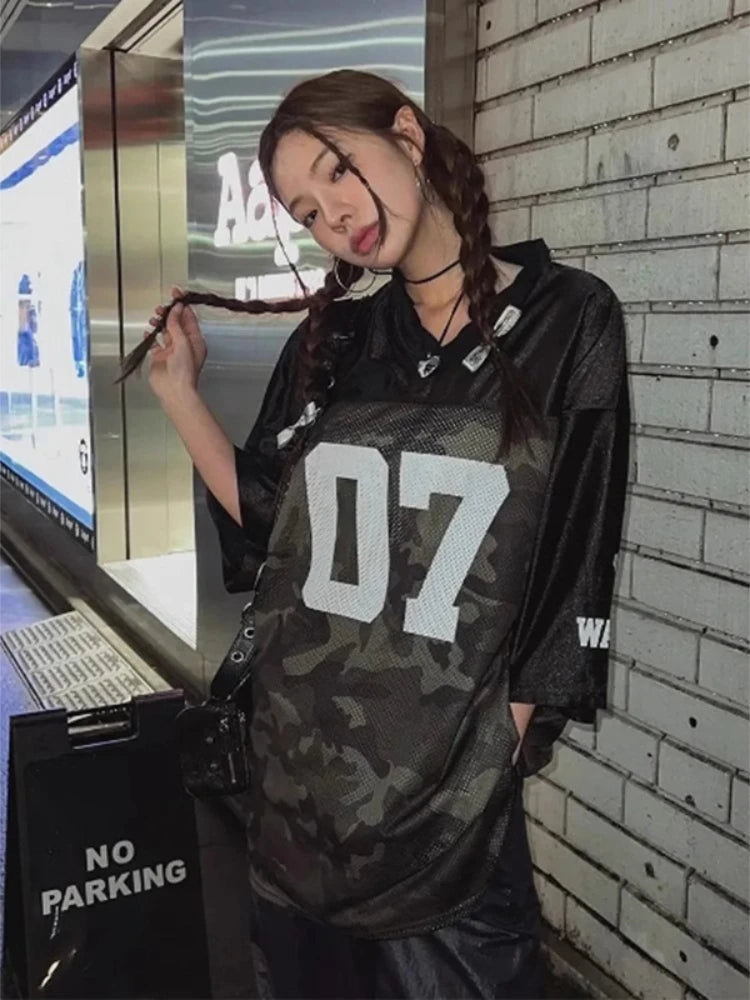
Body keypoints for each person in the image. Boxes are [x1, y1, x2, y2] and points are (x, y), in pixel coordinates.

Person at [135, 69, 630, 999]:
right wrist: (178, 398)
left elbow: (576, 559)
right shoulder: (337, 343)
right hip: (300, 790)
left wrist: (502, 745)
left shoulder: (570, 319)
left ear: (405, 133)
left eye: (339, 172)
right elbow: (270, 526)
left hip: (450, 808)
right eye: (307, 210)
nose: (334, 218)